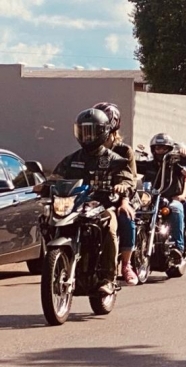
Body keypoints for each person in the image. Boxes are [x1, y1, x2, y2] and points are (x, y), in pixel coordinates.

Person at [36, 108, 134, 295]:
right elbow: (56, 177)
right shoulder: (72, 159)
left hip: (103, 206)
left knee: (110, 227)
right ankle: (61, 264)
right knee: (46, 218)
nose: (87, 136)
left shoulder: (114, 159)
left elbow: (126, 178)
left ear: (103, 132)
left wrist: (122, 185)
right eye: (84, 131)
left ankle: (108, 278)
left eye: (92, 131)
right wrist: (44, 185)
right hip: (74, 206)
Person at [93, 101, 140, 286]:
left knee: (125, 217)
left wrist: (124, 200)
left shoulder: (124, 151)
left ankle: (126, 265)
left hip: (123, 197)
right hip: (97, 199)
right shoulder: (91, 149)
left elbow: (131, 178)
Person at [138, 133, 186, 261]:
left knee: (176, 209)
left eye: (164, 148)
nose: (161, 151)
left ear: (169, 150)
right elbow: (132, 166)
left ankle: (178, 248)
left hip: (171, 199)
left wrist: (185, 157)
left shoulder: (176, 165)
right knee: (136, 213)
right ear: (153, 150)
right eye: (158, 148)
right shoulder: (149, 165)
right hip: (151, 199)